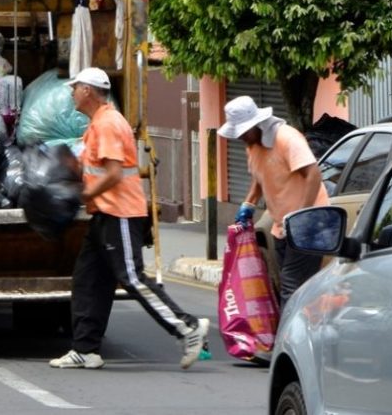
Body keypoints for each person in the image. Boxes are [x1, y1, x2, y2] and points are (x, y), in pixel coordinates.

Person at [49, 67, 210, 370]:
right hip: (103, 215)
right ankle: (85, 349)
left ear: (88, 91)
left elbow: (111, 174)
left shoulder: (109, 123)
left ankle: (187, 327)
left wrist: (81, 196)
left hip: (119, 213)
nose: (72, 93)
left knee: (132, 277)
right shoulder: (98, 123)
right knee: (88, 281)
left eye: (75, 88)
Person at [218, 95, 329, 306]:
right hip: (282, 226)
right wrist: (247, 206)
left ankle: (286, 336)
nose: (240, 137)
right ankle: (306, 330)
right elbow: (260, 177)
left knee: (291, 284)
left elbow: (313, 174)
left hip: (311, 223)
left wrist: (301, 217)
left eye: (243, 131)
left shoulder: (286, 138)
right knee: (293, 285)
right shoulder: (252, 146)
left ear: (256, 124)